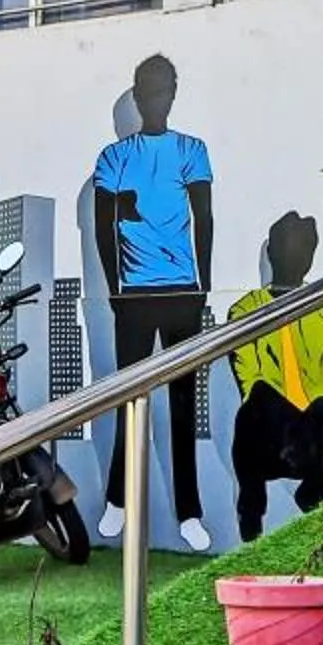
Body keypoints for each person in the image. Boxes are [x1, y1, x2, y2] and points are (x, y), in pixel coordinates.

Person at [92, 54, 215, 552]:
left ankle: (190, 511)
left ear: (173, 93)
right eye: (147, 89)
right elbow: (104, 227)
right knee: (129, 400)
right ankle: (117, 501)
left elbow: (204, 217)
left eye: (162, 89)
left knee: (184, 404)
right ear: (138, 95)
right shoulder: (113, 157)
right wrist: (115, 289)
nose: (155, 98)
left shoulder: (192, 149)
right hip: (136, 295)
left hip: (182, 290)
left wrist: (202, 283)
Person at [224, 213, 323, 539]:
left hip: (317, 425)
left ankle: (315, 493)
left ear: (311, 257)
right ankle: (250, 518)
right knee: (257, 401)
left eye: (303, 249)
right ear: (272, 254)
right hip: (274, 429)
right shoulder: (245, 309)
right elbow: (249, 379)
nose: (295, 256)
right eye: (286, 247)